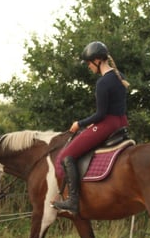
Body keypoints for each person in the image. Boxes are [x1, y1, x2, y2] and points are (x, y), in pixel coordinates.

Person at [52, 41, 130, 215]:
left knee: (66, 155)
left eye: (89, 63)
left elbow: (101, 114)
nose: (89, 67)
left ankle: (72, 201)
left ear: (97, 60)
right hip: (121, 122)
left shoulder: (103, 83)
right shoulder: (120, 76)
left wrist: (79, 124)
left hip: (107, 124)